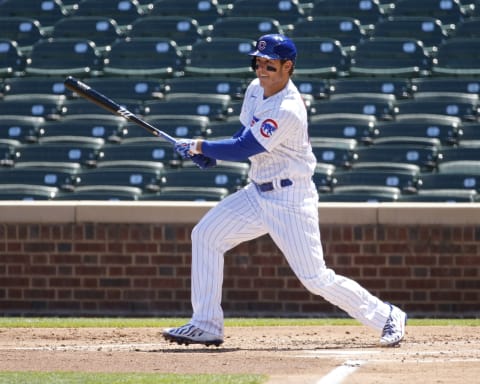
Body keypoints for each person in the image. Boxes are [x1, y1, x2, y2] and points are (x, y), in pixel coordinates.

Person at [162, 34, 407, 348]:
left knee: (315, 278)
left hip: (290, 198)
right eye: (258, 62)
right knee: (206, 235)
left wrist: (200, 145)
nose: (262, 70)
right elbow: (244, 132)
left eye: (271, 65)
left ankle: (386, 315)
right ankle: (205, 324)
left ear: (288, 66)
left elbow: (246, 146)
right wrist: (210, 154)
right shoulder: (255, 89)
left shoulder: (287, 107)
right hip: (257, 192)